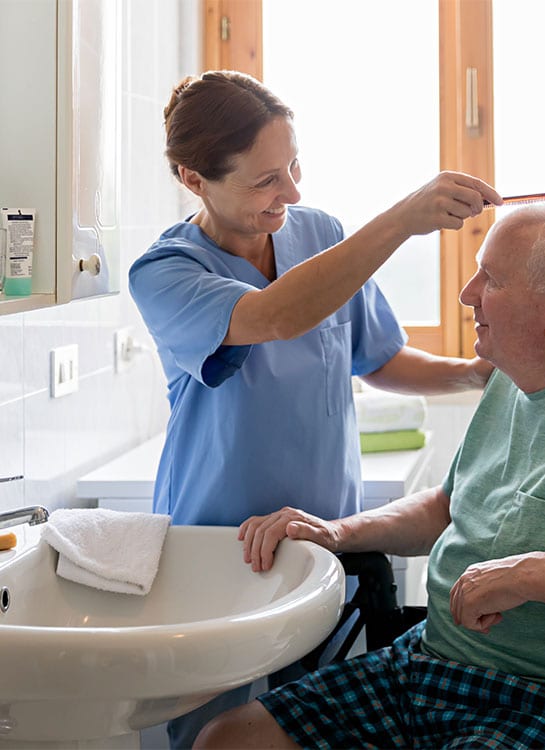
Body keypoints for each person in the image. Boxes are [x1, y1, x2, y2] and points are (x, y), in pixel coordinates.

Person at [194, 199, 545, 750]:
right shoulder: (517, 372)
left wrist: (537, 574)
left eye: (493, 279)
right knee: (225, 740)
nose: (467, 294)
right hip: (433, 665)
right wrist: (339, 531)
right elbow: (447, 508)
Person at [128, 70, 501, 748]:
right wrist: (401, 220)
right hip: (221, 552)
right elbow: (273, 317)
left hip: (326, 537)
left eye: (294, 166)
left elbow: (376, 356)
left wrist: (475, 375)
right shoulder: (165, 273)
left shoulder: (320, 232)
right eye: (266, 180)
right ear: (193, 178)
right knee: (216, 734)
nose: (292, 192)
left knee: (315, 722)